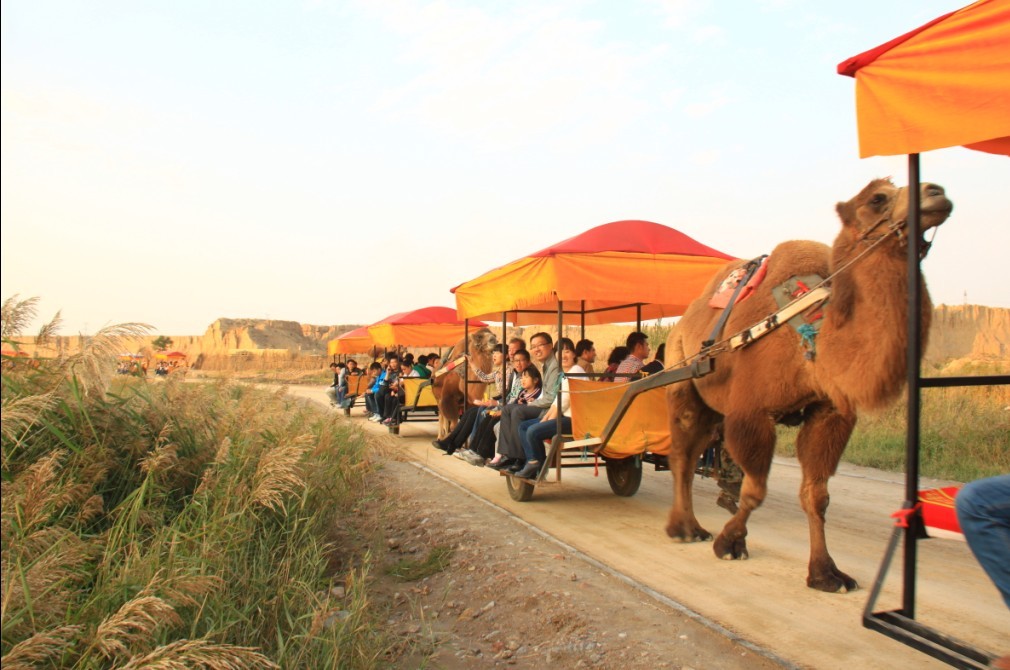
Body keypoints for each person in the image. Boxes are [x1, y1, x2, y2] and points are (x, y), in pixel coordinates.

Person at [514, 338, 585, 480]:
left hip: (574, 420)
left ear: (574, 354)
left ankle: (537, 466)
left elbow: (562, 404)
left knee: (533, 431)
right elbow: (557, 403)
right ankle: (534, 462)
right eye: (559, 352)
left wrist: (544, 422)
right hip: (565, 417)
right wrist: (543, 421)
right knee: (524, 427)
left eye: (567, 351)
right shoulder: (566, 374)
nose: (563, 356)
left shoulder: (576, 371)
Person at [492, 332, 560, 473]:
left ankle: (520, 458)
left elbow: (550, 398)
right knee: (508, 408)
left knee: (517, 410)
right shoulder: (546, 365)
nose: (536, 349)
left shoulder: (554, 365)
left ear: (551, 346)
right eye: (533, 347)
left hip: (549, 409)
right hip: (545, 406)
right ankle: (507, 454)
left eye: (540, 345)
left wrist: (530, 404)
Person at [486, 364, 543, 470]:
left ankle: (515, 456)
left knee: (511, 412)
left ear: (535, 380)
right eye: (522, 377)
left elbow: (538, 404)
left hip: (530, 414)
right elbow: (515, 404)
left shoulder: (538, 393)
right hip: (518, 414)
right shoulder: (522, 392)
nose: (523, 380)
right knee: (501, 415)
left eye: (526, 377)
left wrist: (529, 404)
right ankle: (506, 454)